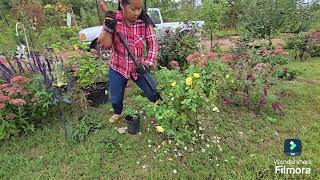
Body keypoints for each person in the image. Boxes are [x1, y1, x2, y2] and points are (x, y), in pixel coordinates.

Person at [97, 0, 159, 123]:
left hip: (138, 68)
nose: (137, 13)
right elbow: (105, 46)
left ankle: (160, 109)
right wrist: (108, 27)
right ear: (122, 4)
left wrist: (147, 64)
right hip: (118, 67)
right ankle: (117, 112)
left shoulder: (145, 22)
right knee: (115, 98)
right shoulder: (113, 19)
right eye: (133, 9)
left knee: (152, 91)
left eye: (139, 9)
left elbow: (153, 44)